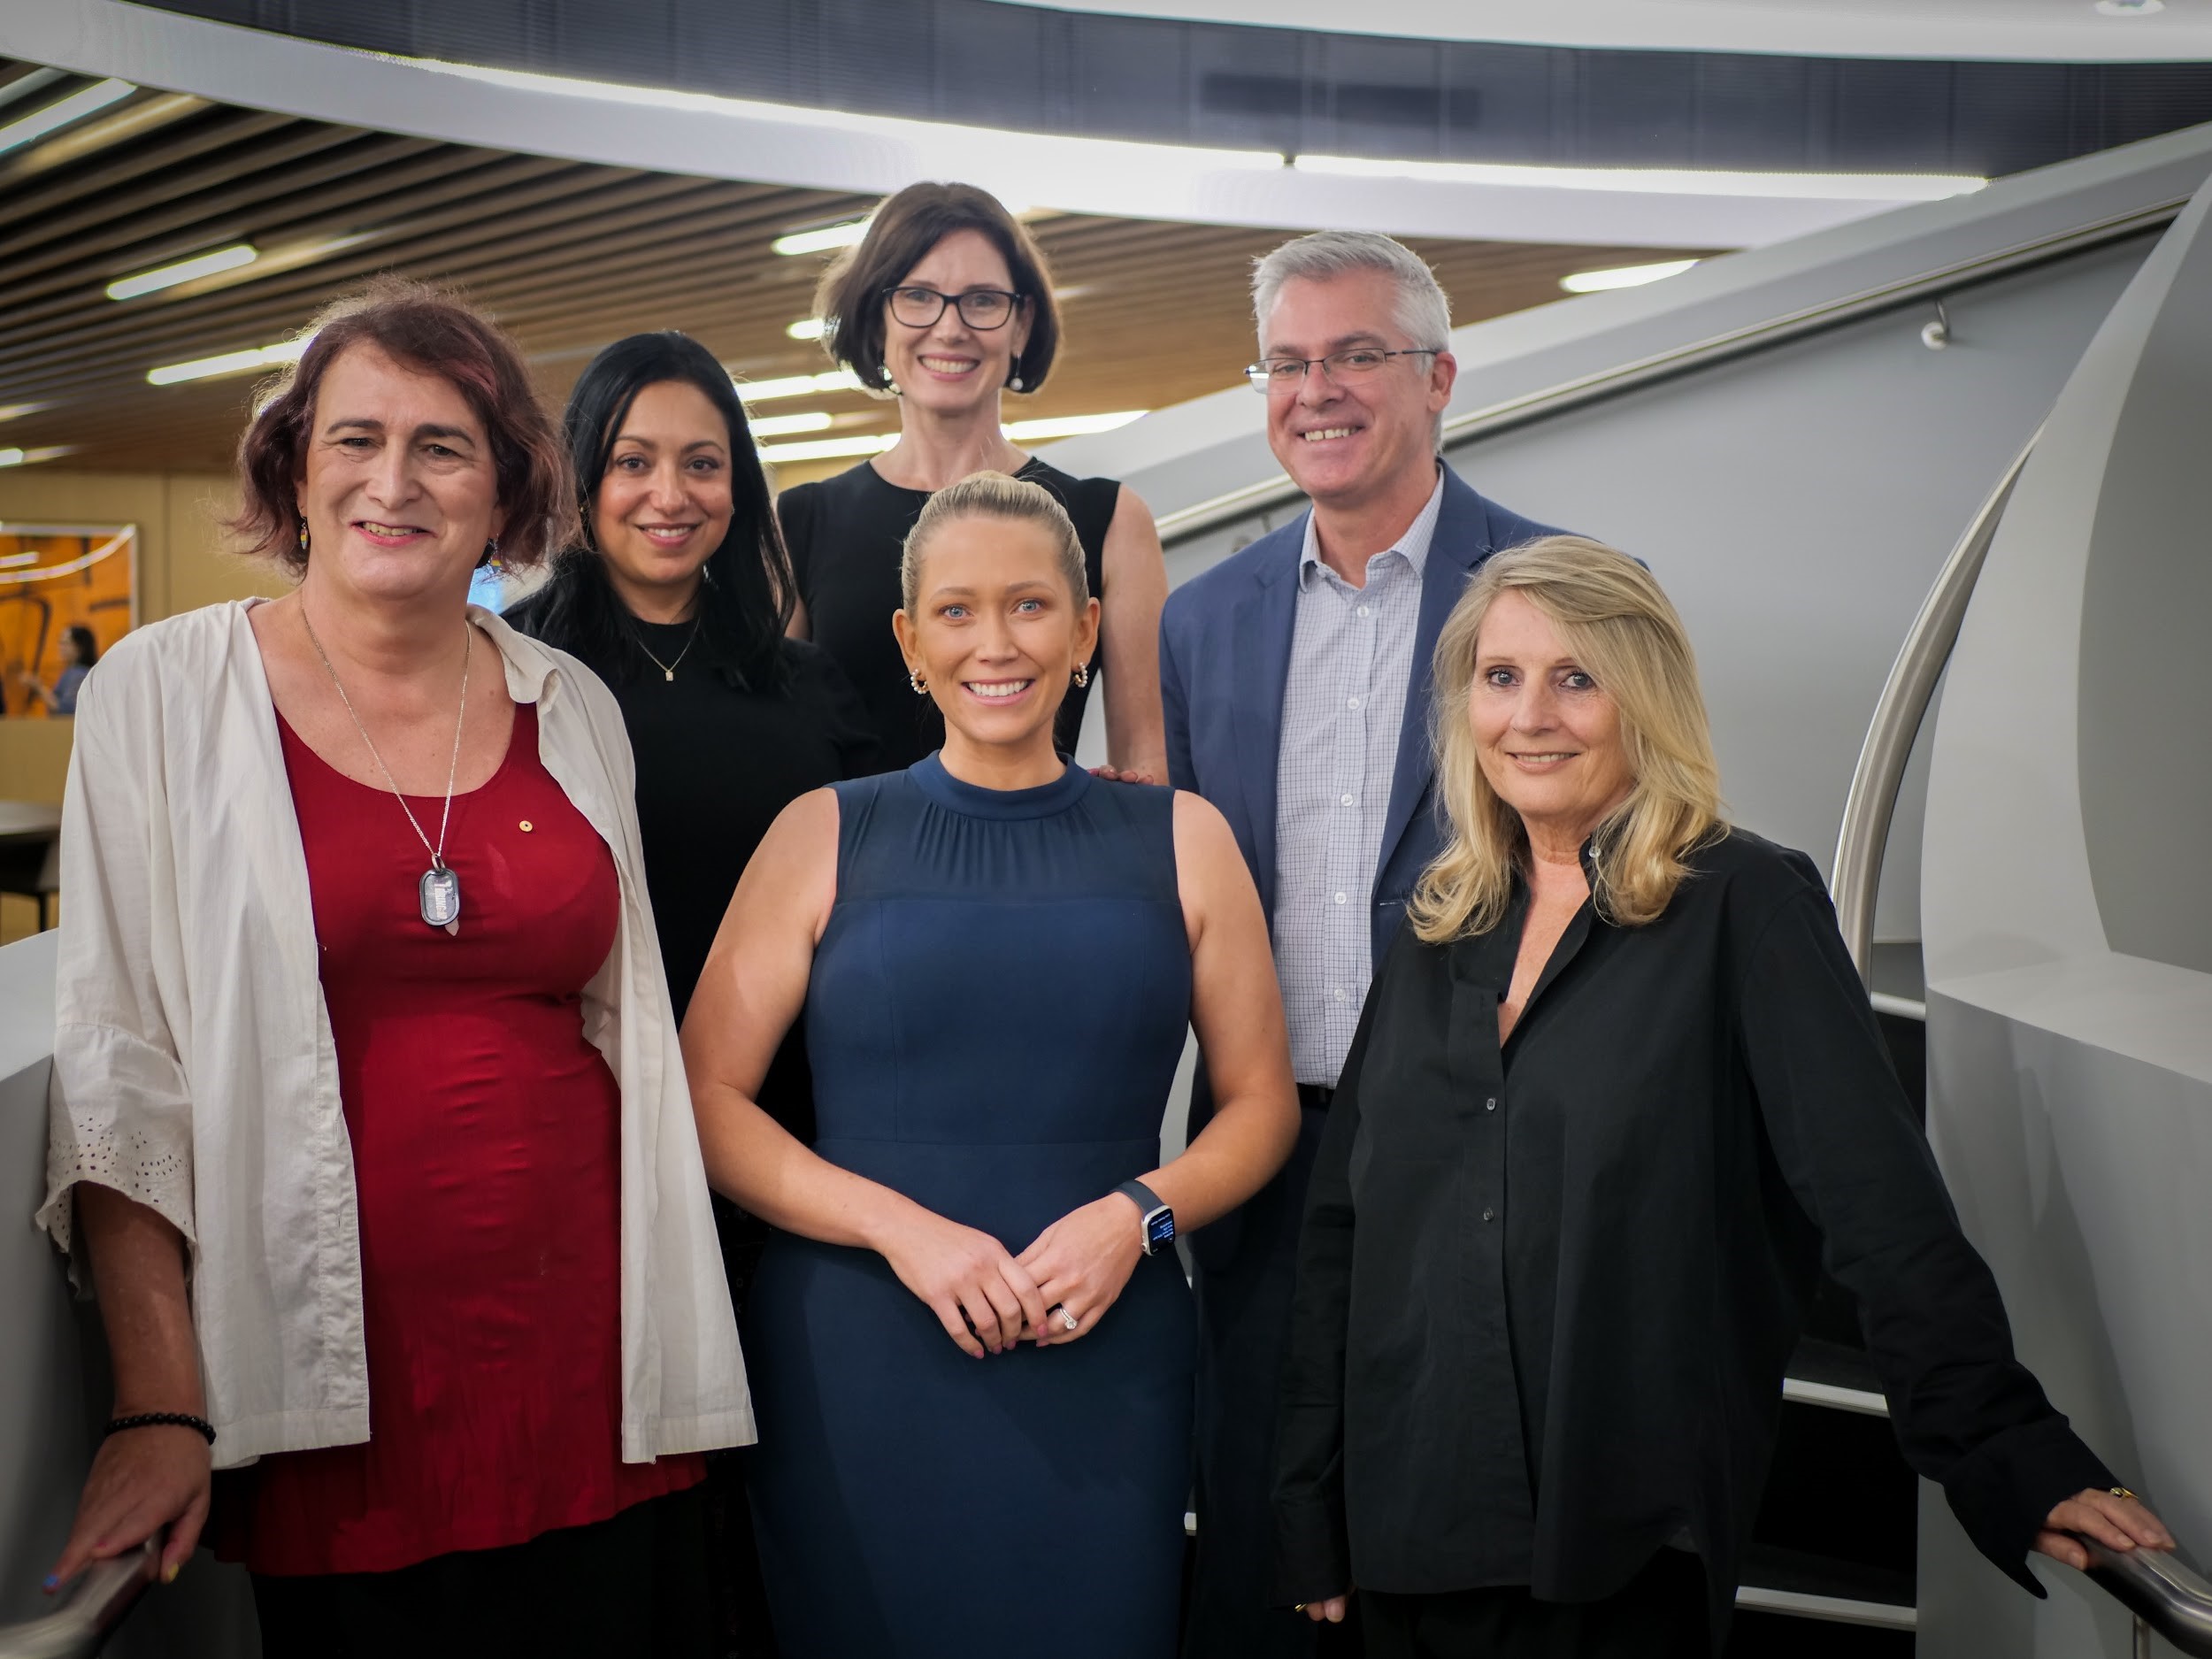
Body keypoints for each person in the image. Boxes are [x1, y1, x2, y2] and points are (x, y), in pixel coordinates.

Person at [1273, 536, 2175, 1656]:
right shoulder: (1433, 927)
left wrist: (2005, 1447)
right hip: (1407, 1520)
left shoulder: (1746, 907)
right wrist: (1310, 1503)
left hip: (1620, 1532)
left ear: (1641, 698)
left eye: (1576, 677)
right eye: (1499, 677)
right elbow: (1344, 1240)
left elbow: (1875, 1202)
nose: (1530, 714)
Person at [36, 280, 749, 1659]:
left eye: (443, 446)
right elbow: (121, 1060)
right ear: (295, 471)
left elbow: (628, 1025)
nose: (394, 480)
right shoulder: (165, 692)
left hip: (594, 1348)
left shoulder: (569, 701)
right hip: (335, 1365)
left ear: (503, 497)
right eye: (355, 438)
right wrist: (159, 1396)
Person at [682, 472, 1299, 1657]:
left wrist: (1138, 1215)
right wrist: (904, 1230)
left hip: (1105, 1345)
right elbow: (705, 1097)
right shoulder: (824, 828)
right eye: (957, 611)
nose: (995, 641)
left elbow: (1261, 1102)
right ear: (911, 642)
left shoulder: (1183, 835)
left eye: (1029, 606)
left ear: (1084, 631)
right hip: (858, 1355)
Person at [1157, 229, 1564, 1655]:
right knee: (1271, 1539)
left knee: (1459, 1549)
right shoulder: (1201, 622)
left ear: (1440, 377)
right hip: (1272, 1146)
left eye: (1356, 355)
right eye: (1289, 361)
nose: (1316, 389)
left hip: (1489, 1151)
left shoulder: (1558, 594)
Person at [507, 329, 875, 1658]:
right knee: (641, 1484)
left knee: (782, 1462)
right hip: (597, 1128)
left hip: (790, 1127)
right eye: (634, 461)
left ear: (742, 484)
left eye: (704, 463)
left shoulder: (798, 676)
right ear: (580, 479)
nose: (671, 493)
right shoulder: (517, 675)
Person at [778, 180, 1169, 780]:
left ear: (1021, 324)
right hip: (853, 864)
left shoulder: (1111, 519)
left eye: (982, 300)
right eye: (918, 296)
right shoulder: (800, 523)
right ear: (876, 319)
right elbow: (777, 754)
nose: (950, 327)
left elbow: (1148, 760)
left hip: (1044, 858)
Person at [17, 623, 97, 714]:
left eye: (66, 643)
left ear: (80, 647)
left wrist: (38, 687)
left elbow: (65, 710)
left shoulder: (79, 675)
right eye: (60, 642)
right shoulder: (70, 672)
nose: (60, 647)